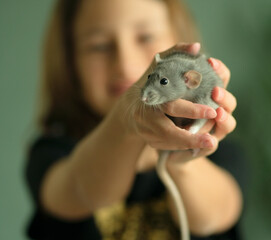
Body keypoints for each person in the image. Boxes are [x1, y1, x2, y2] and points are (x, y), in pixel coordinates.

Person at [24, 0, 244, 239]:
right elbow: (85, 191)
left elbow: (216, 215)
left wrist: (183, 155)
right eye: (98, 46)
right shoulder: (52, 152)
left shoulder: (223, 153)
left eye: (145, 37)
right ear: (70, 61)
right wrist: (125, 120)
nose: (124, 64)